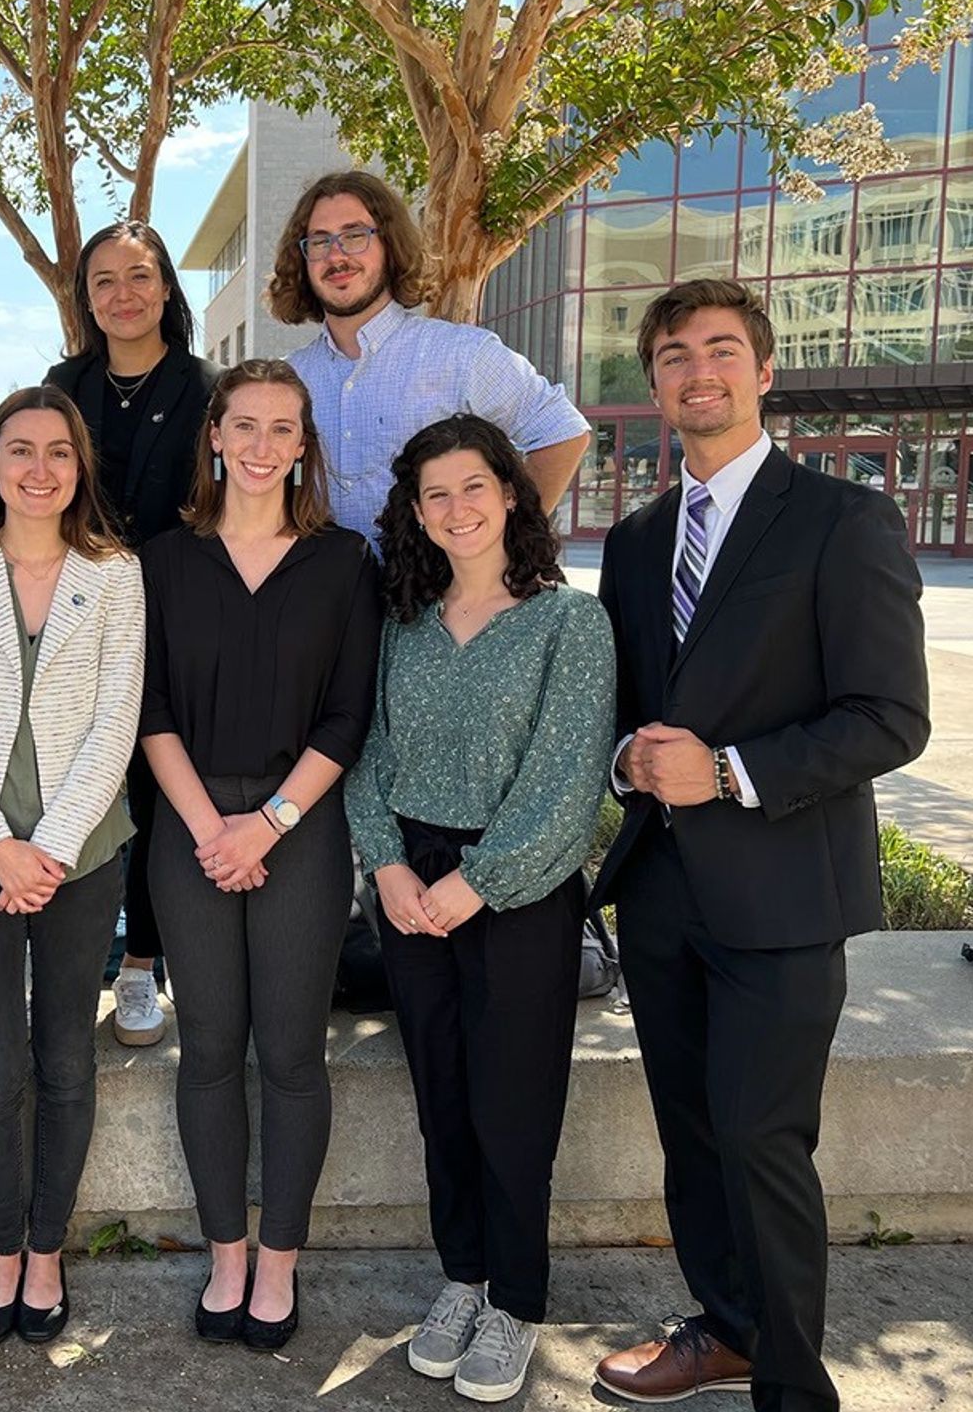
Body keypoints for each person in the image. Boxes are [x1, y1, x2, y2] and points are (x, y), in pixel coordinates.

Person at [591, 280, 929, 1411]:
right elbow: (629, 708)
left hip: (783, 890)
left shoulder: (841, 520)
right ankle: (722, 1331)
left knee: (759, 1139)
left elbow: (889, 716)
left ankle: (792, 1385)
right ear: (653, 384)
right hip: (661, 893)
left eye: (721, 350)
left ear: (763, 370)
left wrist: (730, 773)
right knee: (690, 1136)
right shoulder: (638, 542)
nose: (698, 371)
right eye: (674, 355)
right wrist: (627, 762)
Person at [344, 415, 614, 1403]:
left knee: (512, 1107)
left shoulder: (564, 623)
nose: (455, 509)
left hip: (518, 894)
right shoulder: (400, 621)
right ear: (413, 513)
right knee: (442, 1101)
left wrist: (479, 882)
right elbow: (366, 752)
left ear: (508, 493)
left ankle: (516, 1302)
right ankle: (460, 1279)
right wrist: (384, 867)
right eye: (434, 495)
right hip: (408, 888)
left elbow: (567, 779)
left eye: (472, 487)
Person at [138, 359, 382, 1353]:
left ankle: (278, 1260)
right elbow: (146, 712)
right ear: (213, 436)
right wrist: (208, 828)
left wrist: (268, 824)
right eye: (244, 424)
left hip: (301, 827)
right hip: (187, 825)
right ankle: (225, 1253)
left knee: (287, 1054)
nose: (261, 444)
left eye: (283, 429)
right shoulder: (159, 560)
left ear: (302, 448)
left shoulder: (343, 561)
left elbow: (347, 714)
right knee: (206, 1053)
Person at [0, 385, 144, 1346]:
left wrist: (46, 850)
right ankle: (1, 1249)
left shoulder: (117, 574)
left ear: (79, 465)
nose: (39, 469)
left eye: (59, 451)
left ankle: (47, 1251)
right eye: (20, 450)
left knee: (65, 1059)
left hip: (81, 858)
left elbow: (114, 722)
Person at [43, 219, 217, 1048]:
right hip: (78, 612)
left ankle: (144, 963)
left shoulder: (206, 386)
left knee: (154, 791)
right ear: (85, 296)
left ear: (167, 289)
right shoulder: (63, 381)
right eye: (104, 279)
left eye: (140, 276)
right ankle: (72, 960)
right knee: (77, 777)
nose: (122, 294)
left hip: (177, 613)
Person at [272, 170, 591, 543]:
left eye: (355, 235)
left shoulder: (461, 355)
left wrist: (510, 547)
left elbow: (562, 432)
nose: (337, 255)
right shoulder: (290, 378)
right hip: (323, 599)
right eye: (319, 241)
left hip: (438, 599)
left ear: (390, 245)